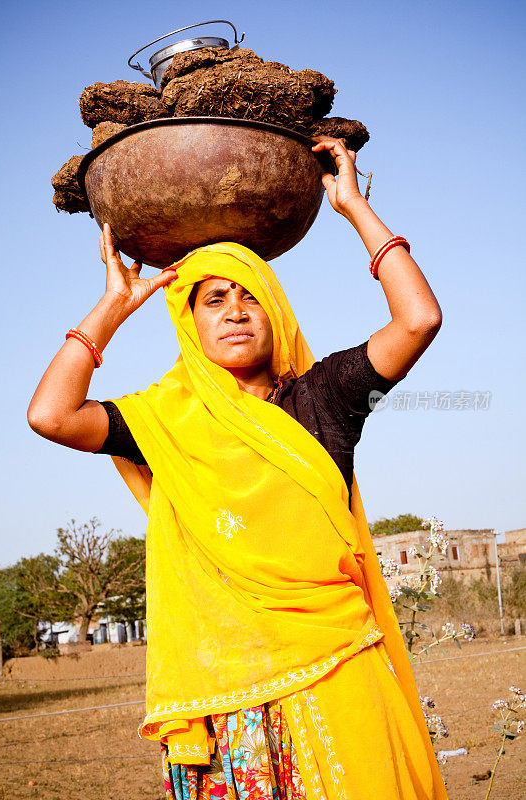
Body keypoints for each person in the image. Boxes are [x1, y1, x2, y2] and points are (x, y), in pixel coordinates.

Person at [28, 137, 448, 799]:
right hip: (225, 700)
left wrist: (353, 209)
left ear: (274, 311)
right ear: (188, 321)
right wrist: (113, 304)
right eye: (213, 299)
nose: (234, 311)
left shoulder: (323, 399)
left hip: (339, 669)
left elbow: (418, 318)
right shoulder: (163, 420)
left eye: (249, 296)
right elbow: (51, 416)